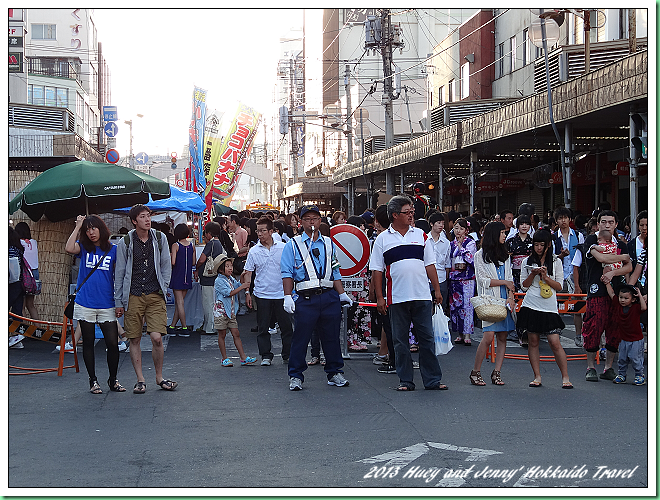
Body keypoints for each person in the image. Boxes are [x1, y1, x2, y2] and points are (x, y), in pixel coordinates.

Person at [370, 195, 446, 391]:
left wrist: (436, 289)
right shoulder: (382, 239)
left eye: (412, 212)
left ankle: (432, 380)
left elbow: (430, 265)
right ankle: (405, 380)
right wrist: (380, 297)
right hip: (396, 297)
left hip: (422, 295)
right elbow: (377, 271)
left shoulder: (421, 235)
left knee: (427, 339)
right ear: (395, 215)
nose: (412, 215)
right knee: (400, 341)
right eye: (408, 212)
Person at [281, 205, 353, 391]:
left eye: (314, 218)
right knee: (301, 338)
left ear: (320, 221)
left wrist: (342, 293)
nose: (311, 222)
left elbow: (335, 270)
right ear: (300, 222)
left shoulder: (329, 243)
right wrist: (288, 296)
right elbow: (287, 273)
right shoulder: (293, 244)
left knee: (331, 337)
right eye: (307, 219)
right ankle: (296, 376)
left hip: (329, 296)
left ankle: (335, 372)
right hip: (305, 298)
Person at [115, 204, 177, 394]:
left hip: (155, 293)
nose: (147, 220)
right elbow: (120, 273)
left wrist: (164, 286)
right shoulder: (125, 242)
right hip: (133, 294)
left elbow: (166, 264)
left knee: (157, 337)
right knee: (134, 338)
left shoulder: (159, 238)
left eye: (148, 216)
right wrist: (118, 301)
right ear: (134, 221)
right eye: (142, 217)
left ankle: (159, 377)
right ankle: (140, 379)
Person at [65, 215, 125, 394]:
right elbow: (69, 247)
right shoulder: (84, 248)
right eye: (87, 229)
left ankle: (113, 379)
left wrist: (119, 301)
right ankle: (93, 380)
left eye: (94, 228)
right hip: (85, 302)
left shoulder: (114, 250)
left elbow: (120, 275)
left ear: (101, 229)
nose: (91, 232)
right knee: (88, 342)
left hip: (107, 302)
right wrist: (77, 227)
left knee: (112, 344)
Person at [516, 230, 572, 389]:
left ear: (548, 245)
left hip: (549, 306)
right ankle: (537, 376)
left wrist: (546, 277)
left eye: (542, 245)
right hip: (531, 303)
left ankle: (565, 377)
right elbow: (524, 286)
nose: (538, 248)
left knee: (554, 342)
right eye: (536, 244)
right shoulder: (527, 260)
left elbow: (560, 287)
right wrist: (533, 274)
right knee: (533, 341)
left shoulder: (555, 262)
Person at [580, 210, 632, 382]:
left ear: (616, 224)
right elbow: (600, 258)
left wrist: (613, 273)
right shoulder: (592, 240)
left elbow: (629, 267)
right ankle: (590, 367)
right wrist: (622, 257)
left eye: (611, 222)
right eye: (604, 222)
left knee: (615, 327)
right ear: (598, 223)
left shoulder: (621, 243)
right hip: (597, 290)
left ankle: (608, 367)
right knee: (594, 325)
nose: (607, 225)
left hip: (617, 291)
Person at [470, 222, 516, 386]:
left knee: (503, 337)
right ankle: (475, 371)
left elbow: (511, 279)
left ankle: (497, 372)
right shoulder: (480, 255)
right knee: (488, 336)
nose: (504, 235)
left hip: (505, 299)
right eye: (502, 233)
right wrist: (504, 282)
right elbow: (482, 281)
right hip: (490, 299)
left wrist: (511, 295)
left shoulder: (506, 255)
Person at [243, 216, 293, 366]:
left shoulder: (283, 247)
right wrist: (247, 293)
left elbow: (290, 269)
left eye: (263, 231)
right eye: (258, 231)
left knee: (286, 327)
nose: (260, 234)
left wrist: (290, 293)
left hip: (281, 293)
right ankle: (266, 355)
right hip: (262, 294)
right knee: (263, 327)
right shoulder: (253, 251)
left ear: (271, 231)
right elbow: (248, 273)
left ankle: (287, 355)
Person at [213, 255, 257, 366]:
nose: (230, 268)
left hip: (230, 311)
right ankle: (224, 358)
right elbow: (230, 293)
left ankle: (243, 358)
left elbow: (237, 284)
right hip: (221, 312)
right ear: (220, 269)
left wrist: (242, 277)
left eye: (231, 266)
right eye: (227, 266)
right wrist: (243, 287)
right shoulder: (219, 281)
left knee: (236, 333)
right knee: (222, 335)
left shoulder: (230, 278)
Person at [605, 283, 646, 385]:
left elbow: (644, 307)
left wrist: (640, 295)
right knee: (622, 358)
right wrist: (607, 283)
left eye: (626, 298)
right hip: (624, 338)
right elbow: (611, 293)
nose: (622, 300)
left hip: (636, 339)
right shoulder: (618, 305)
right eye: (621, 297)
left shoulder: (636, 308)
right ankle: (622, 374)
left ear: (632, 299)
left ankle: (639, 375)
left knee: (635, 358)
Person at [448, 218, 477, 346]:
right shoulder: (451, 244)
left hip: (467, 279)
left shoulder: (470, 243)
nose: (458, 231)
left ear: (466, 230)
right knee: (455, 306)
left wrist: (461, 248)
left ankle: (467, 334)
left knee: (467, 306)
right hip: (455, 278)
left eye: (461, 228)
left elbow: (472, 260)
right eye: (456, 228)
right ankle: (459, 333)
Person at [195, 222, 226, 336]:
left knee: (208, 303)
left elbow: (202, 259)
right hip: (216, 277)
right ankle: (213, 326)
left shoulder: (211, 244)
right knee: (213, 303)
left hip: (208, 278)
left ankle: (209, 327)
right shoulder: (219, 244)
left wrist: (197, 267)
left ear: (208, 233)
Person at [169, 223, 194, 336]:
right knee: (180, 303)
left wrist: (169, 256)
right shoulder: (191, 245)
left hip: (177, 275)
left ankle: (184, 327)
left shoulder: (176, 245)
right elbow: (193, 262)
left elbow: (173, 262)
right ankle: (172, 326)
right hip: (187, 276)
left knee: (179, 303)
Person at [553, 207, 584, 294]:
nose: (563, 221)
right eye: (560, 218)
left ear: (570, 219)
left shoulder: (578, 236)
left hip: (576, 277)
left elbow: (581, 257)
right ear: (556, 221)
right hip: (559, 277)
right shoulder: (553, 238)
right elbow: (551, 258)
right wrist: (561, 256)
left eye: (565, 218)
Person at [15, 222, 40, 320]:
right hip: (35, 275)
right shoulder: (34, 242)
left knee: (22, 306)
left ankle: (24, 332)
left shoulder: (19, 243)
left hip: (25, 276)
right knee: (31, 305)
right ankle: (38, 330)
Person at [427, 212, 451, 314]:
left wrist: (445, 278)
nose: (441, 225)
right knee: (427, 307)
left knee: (441, 307)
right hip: (426, 279)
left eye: (442, 223)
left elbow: (447, 263)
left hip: (441, 278)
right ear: (431, 224)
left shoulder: (446, 243)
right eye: (438, 223)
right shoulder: (425, 240)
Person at [9, 226, 26, 349]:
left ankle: (15, 336)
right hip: (20, 284)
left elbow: (11, 269)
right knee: (17, 311)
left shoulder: (9, 250)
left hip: (11, 283)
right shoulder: (18, 249)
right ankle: (16, 337)